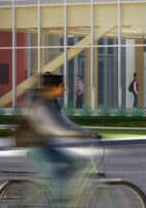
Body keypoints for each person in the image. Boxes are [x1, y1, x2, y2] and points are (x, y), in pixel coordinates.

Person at [16, 73, 97, 205]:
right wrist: (75, 135)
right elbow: (52, 128)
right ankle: (57, 203)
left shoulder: (53, 102)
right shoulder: (41, 104)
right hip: (37, 147)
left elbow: (66, 123)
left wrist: (87, 132)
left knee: (80, 163)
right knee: (59, 177)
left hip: (47, 145)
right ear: (54, 87)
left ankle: (64, 195)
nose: (64, 89)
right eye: (62, 86)